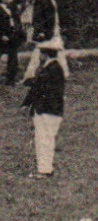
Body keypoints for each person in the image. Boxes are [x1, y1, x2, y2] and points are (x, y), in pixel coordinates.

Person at [21, 32, 69, 178]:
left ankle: (44, 170)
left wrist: (29, 104)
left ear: (44, 54)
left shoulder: (51, 69)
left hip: (47, 110)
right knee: (45, 139)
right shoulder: (53, 68)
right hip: (50, 109)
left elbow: (40, 89)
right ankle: (45, 168)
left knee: (43, 139)